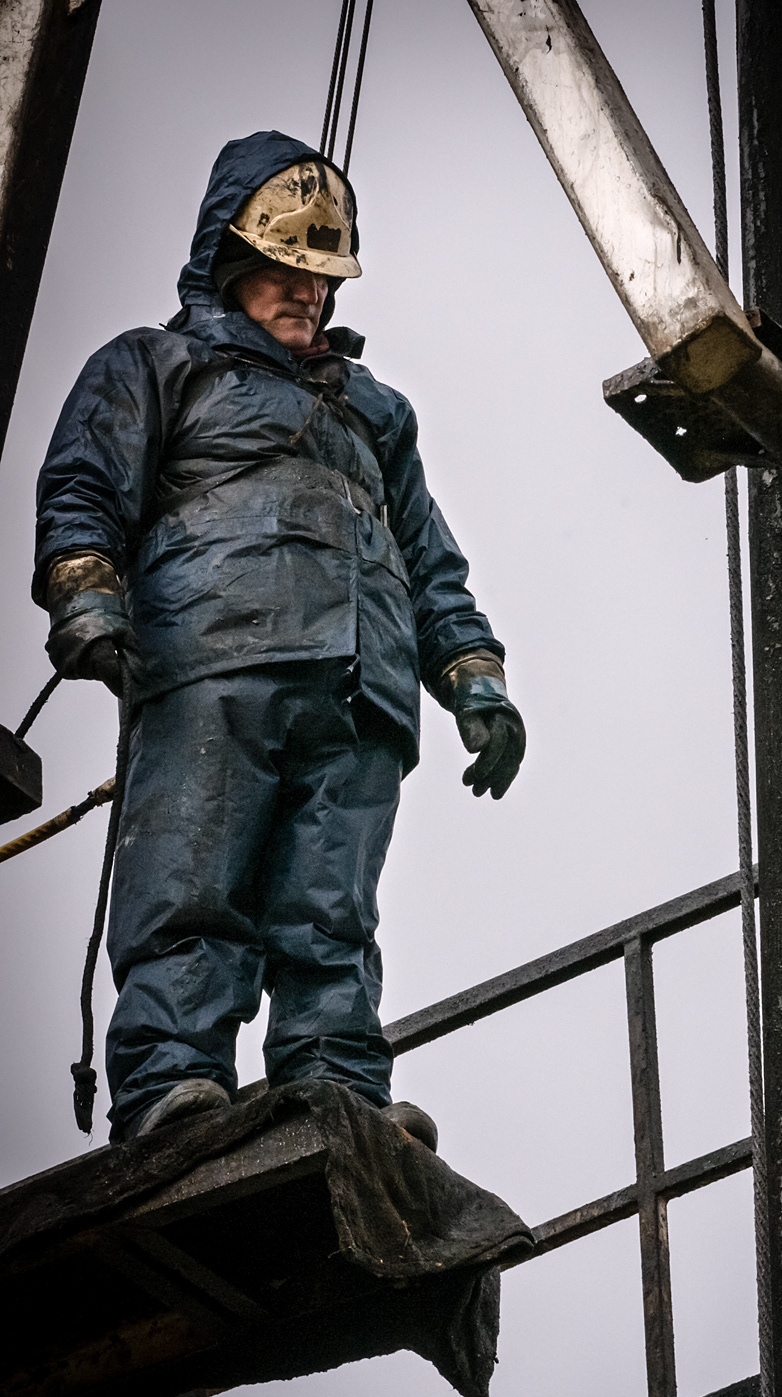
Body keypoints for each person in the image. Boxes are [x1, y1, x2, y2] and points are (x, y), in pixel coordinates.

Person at [34, 131, 525, 1144]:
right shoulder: (155, 365)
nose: (307, 294)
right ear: (231, 263)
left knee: (330, 913)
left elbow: (431, 562)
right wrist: (85, 589)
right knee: (191, 884)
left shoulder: (377, 413)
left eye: (320, 279)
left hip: (360, 692)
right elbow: (84, 485)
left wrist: (474, 674)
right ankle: (173, 1084)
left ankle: (333, 1092)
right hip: (213, 663)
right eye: (285, 274)